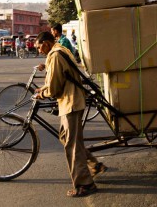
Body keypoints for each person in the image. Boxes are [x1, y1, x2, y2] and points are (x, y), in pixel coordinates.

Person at [34, 31, 106, 198]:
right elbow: (58, 78)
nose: (38, 50)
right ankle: (94, 165)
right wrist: (43, 89)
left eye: (38, 47)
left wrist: (42, 94)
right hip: (72, 100)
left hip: (70, 102)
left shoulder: (55, 55)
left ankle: (85, 184)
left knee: (71, 145)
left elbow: (54, 87)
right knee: (67, 138)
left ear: (45, 43)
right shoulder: (61, 49)